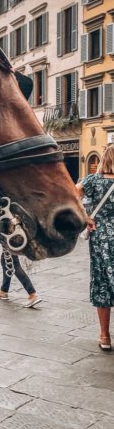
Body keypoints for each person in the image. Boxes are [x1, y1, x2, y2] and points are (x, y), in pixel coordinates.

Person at [76, 143, 114, 351]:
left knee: (102, 284)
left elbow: (73, 194)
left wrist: (85, 216)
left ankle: (105, 336)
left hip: (101, 237)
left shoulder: (93, 181)